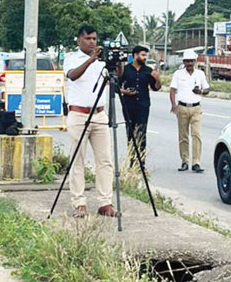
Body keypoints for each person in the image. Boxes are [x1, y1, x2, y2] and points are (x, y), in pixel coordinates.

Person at [63, 25, 116, 219]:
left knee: (105, 160)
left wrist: (113, 61)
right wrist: (91, 60)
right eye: (88, 38)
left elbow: (114, 79)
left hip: (100, 114)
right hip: (78, 114)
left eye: (94, 38)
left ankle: (105, 202)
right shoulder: (71, 58)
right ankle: (79, 202)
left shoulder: (101, 62)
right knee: (78, 159)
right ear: (78, 40)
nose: (92, 42)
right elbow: (73, 75)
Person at [119, 45, 161, 168]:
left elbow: (156, 88)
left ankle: (141, 162)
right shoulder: (125, 70)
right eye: (142, 55)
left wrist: (157, 79)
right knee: (130, 133)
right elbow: (116, 86)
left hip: (143, 105)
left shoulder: (148, 70)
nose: (144, 57)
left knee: (141, 134)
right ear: (135, 55)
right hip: (128, 106)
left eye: (145, 55)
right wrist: (125, 92)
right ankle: (131, 161)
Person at [169, 49, 210, 173]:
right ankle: (185, 161)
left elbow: (207, 89)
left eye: (191, 61)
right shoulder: (178, 74)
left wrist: (201, 92)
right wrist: (173, 104)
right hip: (182, 107)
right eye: (187, 61)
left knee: (196, 135)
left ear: (195, 61)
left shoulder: (200, 74)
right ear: (184, 62)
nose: (189, 63)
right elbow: (172, 90)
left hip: (196, 107)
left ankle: (196, 162)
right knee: (183, 136)